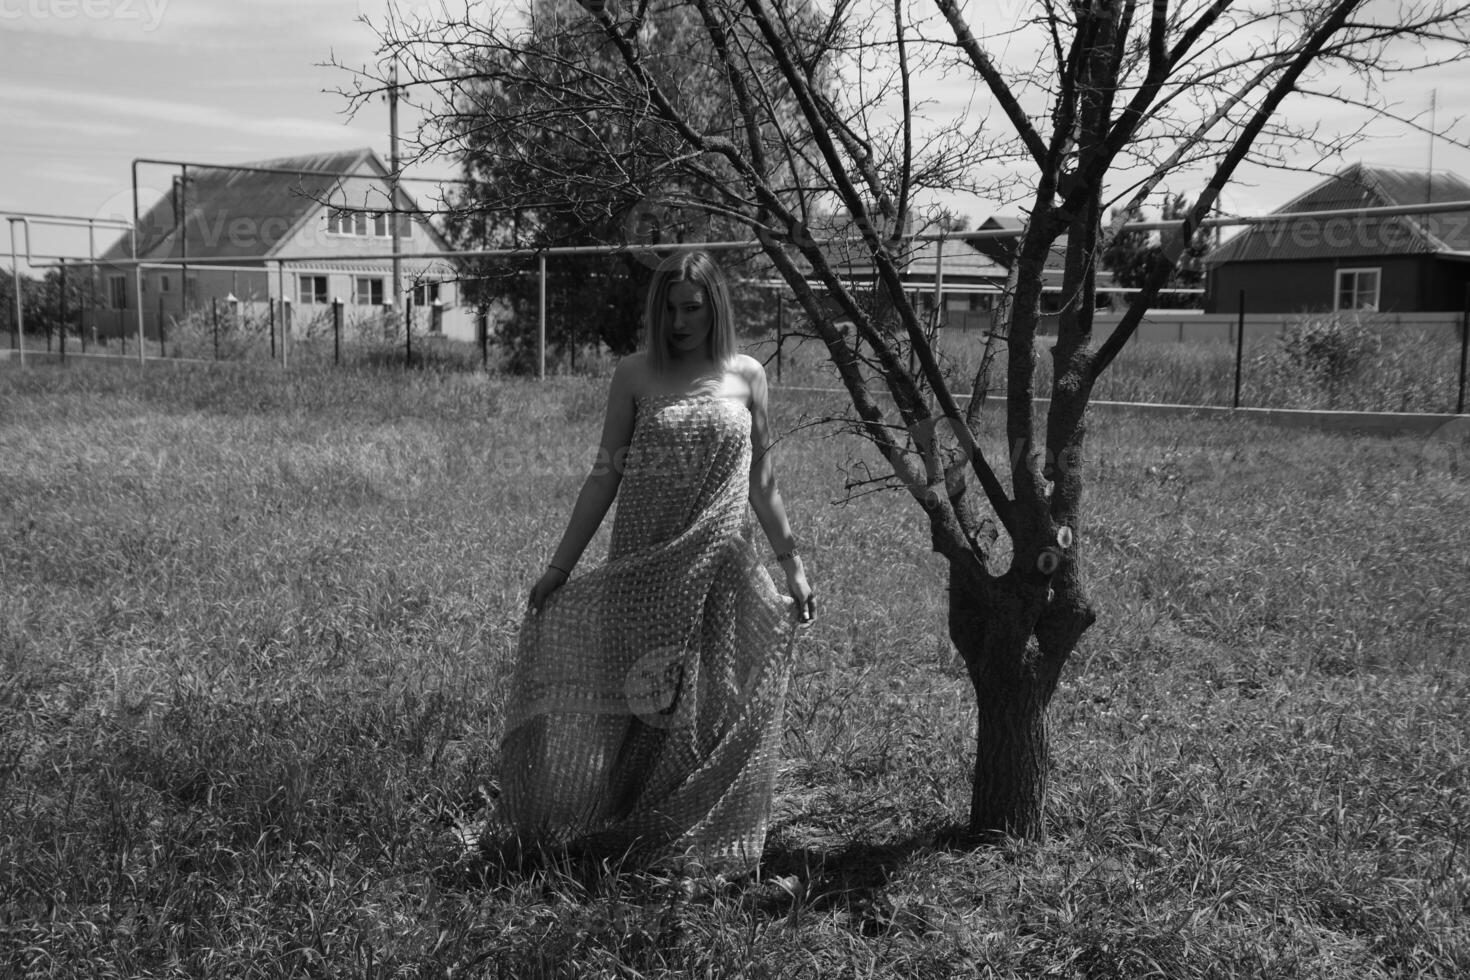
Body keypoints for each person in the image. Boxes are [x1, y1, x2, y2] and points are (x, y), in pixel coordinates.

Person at [499, 250, 815, 873]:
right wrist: (560, 568)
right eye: (668, 308)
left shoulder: (747, 375)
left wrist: (793, 565)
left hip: (720, 563)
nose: (679, 320)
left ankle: (693, 831)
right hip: (645, 565)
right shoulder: (636, 375)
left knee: (709, 700)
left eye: (691, 307)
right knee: (646, 697)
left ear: (714, 306)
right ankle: (633, 828)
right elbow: (603, 476)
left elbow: (764, 483)